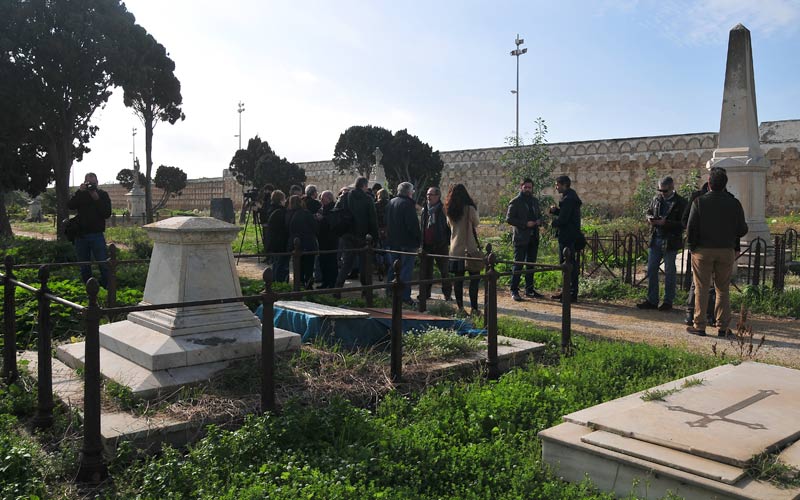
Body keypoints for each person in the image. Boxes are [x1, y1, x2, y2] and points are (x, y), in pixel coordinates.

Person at [685, 168, 748, 337]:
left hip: (703, 250)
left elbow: (691, 228)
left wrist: (692, 247)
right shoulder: (734, 203)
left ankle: (700, 325)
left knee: (701, 288)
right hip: (726, 250)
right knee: (723, 289)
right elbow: (742, 230)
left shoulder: (699, 202)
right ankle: (722, 327)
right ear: (725, 184)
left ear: (709, 183)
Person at [636, 176, 688, 311]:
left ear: (672, 188)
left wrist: (666, 223)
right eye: (660, 190)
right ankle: (652, 300)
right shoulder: (656, 199)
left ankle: (668, 301)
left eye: (664, 191)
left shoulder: (681, 202)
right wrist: (650, 218)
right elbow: (649, 212)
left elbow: (684, 223)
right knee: (651, 269)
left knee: (669, 272)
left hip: (670, 240)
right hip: (656, 238)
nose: (662, 193)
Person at [334, 177, 379, 293]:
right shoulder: (368, 199)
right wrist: (375, 237)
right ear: (364, 186)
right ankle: (366, 291)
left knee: (346, 264)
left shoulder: (344, 197)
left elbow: (336, 213)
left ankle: (338, 288)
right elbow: (373, 220)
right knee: (364, 265)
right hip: (363, 236)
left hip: (347, 234)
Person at [67, 172, 112, 288]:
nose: (91, 185)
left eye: (93, 183)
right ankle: (88, 288)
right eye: (88, 183)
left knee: (103, 263)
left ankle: (108, 287)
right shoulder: (81, 194)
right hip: (81, 235)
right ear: (84, 183)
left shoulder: (102, 194)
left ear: (97, 183)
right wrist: (79, 191)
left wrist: (97, 199)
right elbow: (70, 206)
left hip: (97, 234)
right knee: (84, 265)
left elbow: (107, 213)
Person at [446, 184, 482, 316]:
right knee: (474, 280)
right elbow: (476, 223)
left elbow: (449, 225)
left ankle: (460, 308)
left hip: (455, 249)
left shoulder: (450, 210)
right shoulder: (469, 208)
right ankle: (474, 308)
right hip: (469, 249)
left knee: (458, 280)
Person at [506, 178, 544, 301]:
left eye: (529, 187)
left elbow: (539, 215)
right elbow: (509, 219)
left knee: (531, 265)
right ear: (521, 187)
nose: (528, 189)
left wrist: (539, 221)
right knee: (518, 264)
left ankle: (529, 289)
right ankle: (514, 290)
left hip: (533, 237)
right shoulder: (515, 201)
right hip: (521, 238)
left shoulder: (534, 201)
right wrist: (525, 224)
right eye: (525, 187)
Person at [385, 182, 421, 306]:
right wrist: (418, 239)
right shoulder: (408, 204)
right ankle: (404, 296)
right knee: (406, 269)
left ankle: (390, 293)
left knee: (393, 268)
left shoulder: (391, 202)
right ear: (409, 192)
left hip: (393, 241)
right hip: (407, 242)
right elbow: (412, 225)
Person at [549, 175, 582, 303]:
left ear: (564, 185)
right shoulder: (570, 197)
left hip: (568, 236)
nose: (556, 187)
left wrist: (551, 223)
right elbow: (566, 214)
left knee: (568, 265)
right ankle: (567, 291)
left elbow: (564, 219)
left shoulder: (569, 199)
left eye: (557, 185)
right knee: (568, 264)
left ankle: (571, 293)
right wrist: (556, 211)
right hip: (569, 235)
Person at [418, 186, 451, 301]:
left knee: (444, 271)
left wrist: (445, 241)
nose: (428, 197)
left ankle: (447, 294)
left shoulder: (443, 209)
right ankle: (425, 293)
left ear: (437, 196)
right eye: (427, 194)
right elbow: (422, 227)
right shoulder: (425, 210)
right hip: (427, 245)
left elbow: (448, 227)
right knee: (426, 271)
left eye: (431, 194)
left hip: (440, 245)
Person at [285, 195, 318, 289]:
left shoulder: (288, 214)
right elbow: (315, 227)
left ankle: (299, 283)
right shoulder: (306, 213)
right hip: (308, 243)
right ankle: (308, 284)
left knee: (298, 266)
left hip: (296, 243)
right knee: (309, 266)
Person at [265, 190, 289, 282]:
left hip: (273, 241)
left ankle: (275, 282)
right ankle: (279, 283)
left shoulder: (271, 209)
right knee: (281, 265)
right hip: (281, 242)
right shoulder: (281, 212)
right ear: (281, 200)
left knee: (276, 263)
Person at [316, 190, 339, 289]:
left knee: (331, 262)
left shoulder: (334, 209)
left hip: (331, 240)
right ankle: (325, 281)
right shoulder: (322, 209)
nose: (321, 200)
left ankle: (332, 282)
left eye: (323, 199)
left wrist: (322, 219)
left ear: (329, 199)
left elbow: (332, 222)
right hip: (322, 239)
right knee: (323, 261)